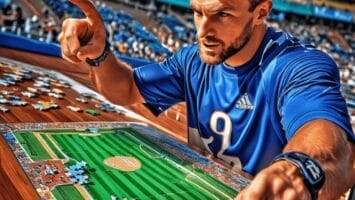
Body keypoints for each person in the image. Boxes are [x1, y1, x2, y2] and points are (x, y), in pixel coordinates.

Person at [58, 0, 354, 199]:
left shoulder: (296, 65)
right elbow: (126, 89)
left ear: (261, 12)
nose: (203, 31)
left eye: (222, 14)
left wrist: (294, 173)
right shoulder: (192, 60)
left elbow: (332, 144)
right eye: (198, 12)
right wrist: (99, 54)